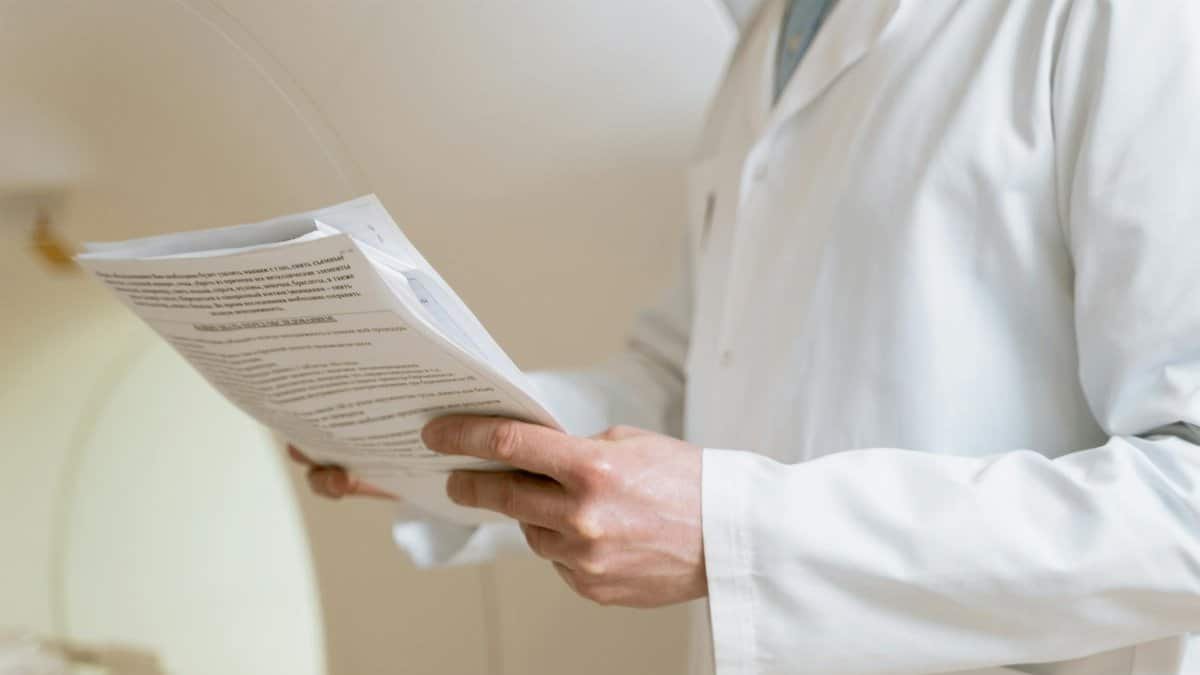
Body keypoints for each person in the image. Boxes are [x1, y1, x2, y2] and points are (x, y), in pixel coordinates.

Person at [288, 1, 1200, 673]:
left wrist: (739, 533)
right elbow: (696, 380)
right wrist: (424, 419)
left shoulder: (1123, 19)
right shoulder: (771, 37)